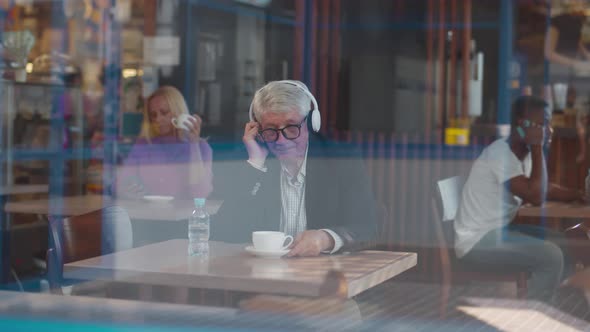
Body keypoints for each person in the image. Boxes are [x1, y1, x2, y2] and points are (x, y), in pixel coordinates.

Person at [211, 80, 376, 257]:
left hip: (326, 275)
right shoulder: (257, 161)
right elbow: (224, 229)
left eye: (291, 128)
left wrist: (325, 239)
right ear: (258, 130)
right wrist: (255, 164)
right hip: (266, 274)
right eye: (270, 130)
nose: (281, 140)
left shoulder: (341, 160)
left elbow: (367, 227)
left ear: (311, 123)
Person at [454, 96, 582, 300]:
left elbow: (543, 188)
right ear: (523, 126)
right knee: (550, 256)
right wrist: (538, 147)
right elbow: (535, 196)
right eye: (543, 124)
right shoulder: (500, 153)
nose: (549, 130)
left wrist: (579, 195)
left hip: (498, 230)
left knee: (562, 242)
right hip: (477, 241)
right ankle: (536, 318)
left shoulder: (524, 154)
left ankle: (549, 302)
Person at [116, 85, 213, 200]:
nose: (158, 119)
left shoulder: (200, 148)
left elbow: (200, 193)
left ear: (177, 111)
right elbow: (120, 183)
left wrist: (194, 145)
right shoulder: (144, 145)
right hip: (147, 213)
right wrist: (128, 188)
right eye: (153, 115)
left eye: (164, 112)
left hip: (184, 216)